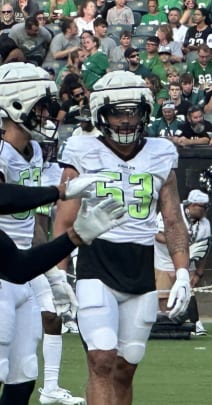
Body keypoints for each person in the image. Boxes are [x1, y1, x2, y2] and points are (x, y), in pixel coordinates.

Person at [53, 71, 192, 405]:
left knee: (125, 368)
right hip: (96, 261)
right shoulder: (82, 148)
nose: (127, 120)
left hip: (141, 266)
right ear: (101, 113)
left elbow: (173, 220)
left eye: (134, 111)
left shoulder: (161, 152)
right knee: (100, 360)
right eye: (119, 111)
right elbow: (64, 218)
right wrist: (57, 274)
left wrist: (183, 271)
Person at [0, 62, 124, 405]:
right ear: (16, 104)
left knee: (24, 371)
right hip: (3, 268)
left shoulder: (36, 151)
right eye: (42, 105)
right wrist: (58, 192)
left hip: (20, 266)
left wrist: (52, 270)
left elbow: (33, 222)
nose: (49, 114)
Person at [154, 189, 211, 335]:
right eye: (202, 207)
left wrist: (199, 272)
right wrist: (177, 243)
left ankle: (195, 322)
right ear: (191, 205)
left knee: (188, 293)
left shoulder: (205, 224)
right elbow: (157, 235)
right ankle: (167, 322)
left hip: (187, 261)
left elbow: (204, 249)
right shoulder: (171, 212)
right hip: (164, 260)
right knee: (164, 295)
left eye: (207, 207)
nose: (205, 211)